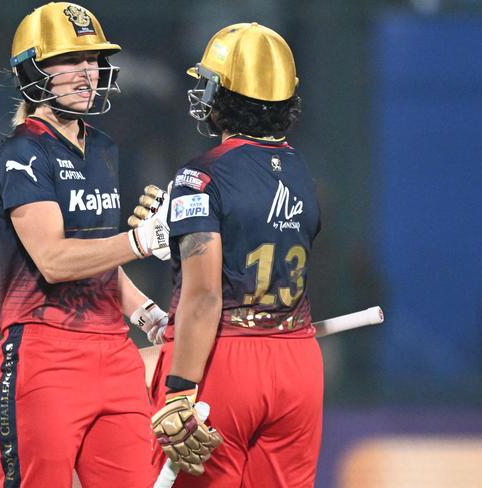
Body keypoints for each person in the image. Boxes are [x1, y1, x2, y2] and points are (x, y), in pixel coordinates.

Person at [0, 3, 169, 487]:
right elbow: (54, 260)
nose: (87, 72)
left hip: (115, 351)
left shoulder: (104, 147)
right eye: (70, 60)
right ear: (33, 72)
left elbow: (99, 253)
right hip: (47, 357)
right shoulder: (22, 153)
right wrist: (141, 240)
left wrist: (147, 313)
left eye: (93, 59)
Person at [139, 22, 324, 487]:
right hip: (298, 360)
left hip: (224, 359)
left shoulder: (199, 174)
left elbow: (204, 296)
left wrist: (180, 390)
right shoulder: (301, 171)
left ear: (227, 96)